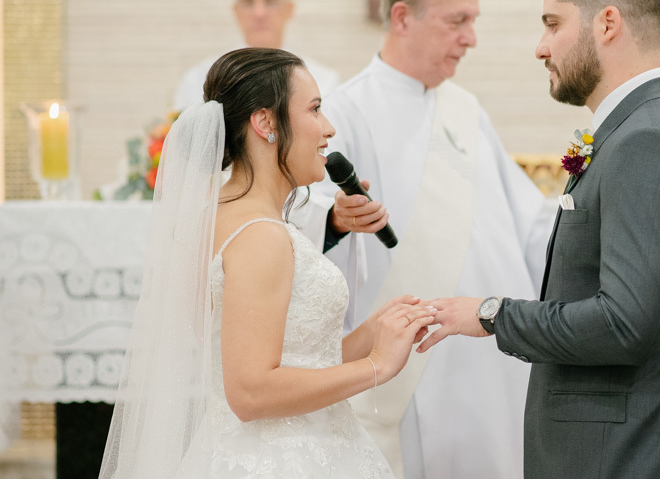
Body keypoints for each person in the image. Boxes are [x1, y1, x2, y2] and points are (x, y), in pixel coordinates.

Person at [418, 0, 660, 478]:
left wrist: (492, 314)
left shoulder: (648, 141)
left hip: (630, 453)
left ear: (607, 23)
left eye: (552, 23)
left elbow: (625, 323)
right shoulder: (640, 129)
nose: (541, 47)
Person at [99, 48, 435, 478]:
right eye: (314, 109)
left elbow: (291, 360)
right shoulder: (262, 236)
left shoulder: (217, 216)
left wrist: (371, 335)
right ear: (266, 123)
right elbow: (250, 392)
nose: (328, 128)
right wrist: (377, 367)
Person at [297, 0, 555, 479]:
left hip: (490, 351)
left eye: (474, 21)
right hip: (414, 365)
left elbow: (530, 224)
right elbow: (305, 218)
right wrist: (336, 218)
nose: (471, 38)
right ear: (402, 17)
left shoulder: (465, 108)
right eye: (457, 20)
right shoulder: (346, 109)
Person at [172, 0, 340, 110]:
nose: (259, 13)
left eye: (271, 1)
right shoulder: (199, 80)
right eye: (248, 2)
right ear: (236, 11)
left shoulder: (324, 82)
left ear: (289, 9)